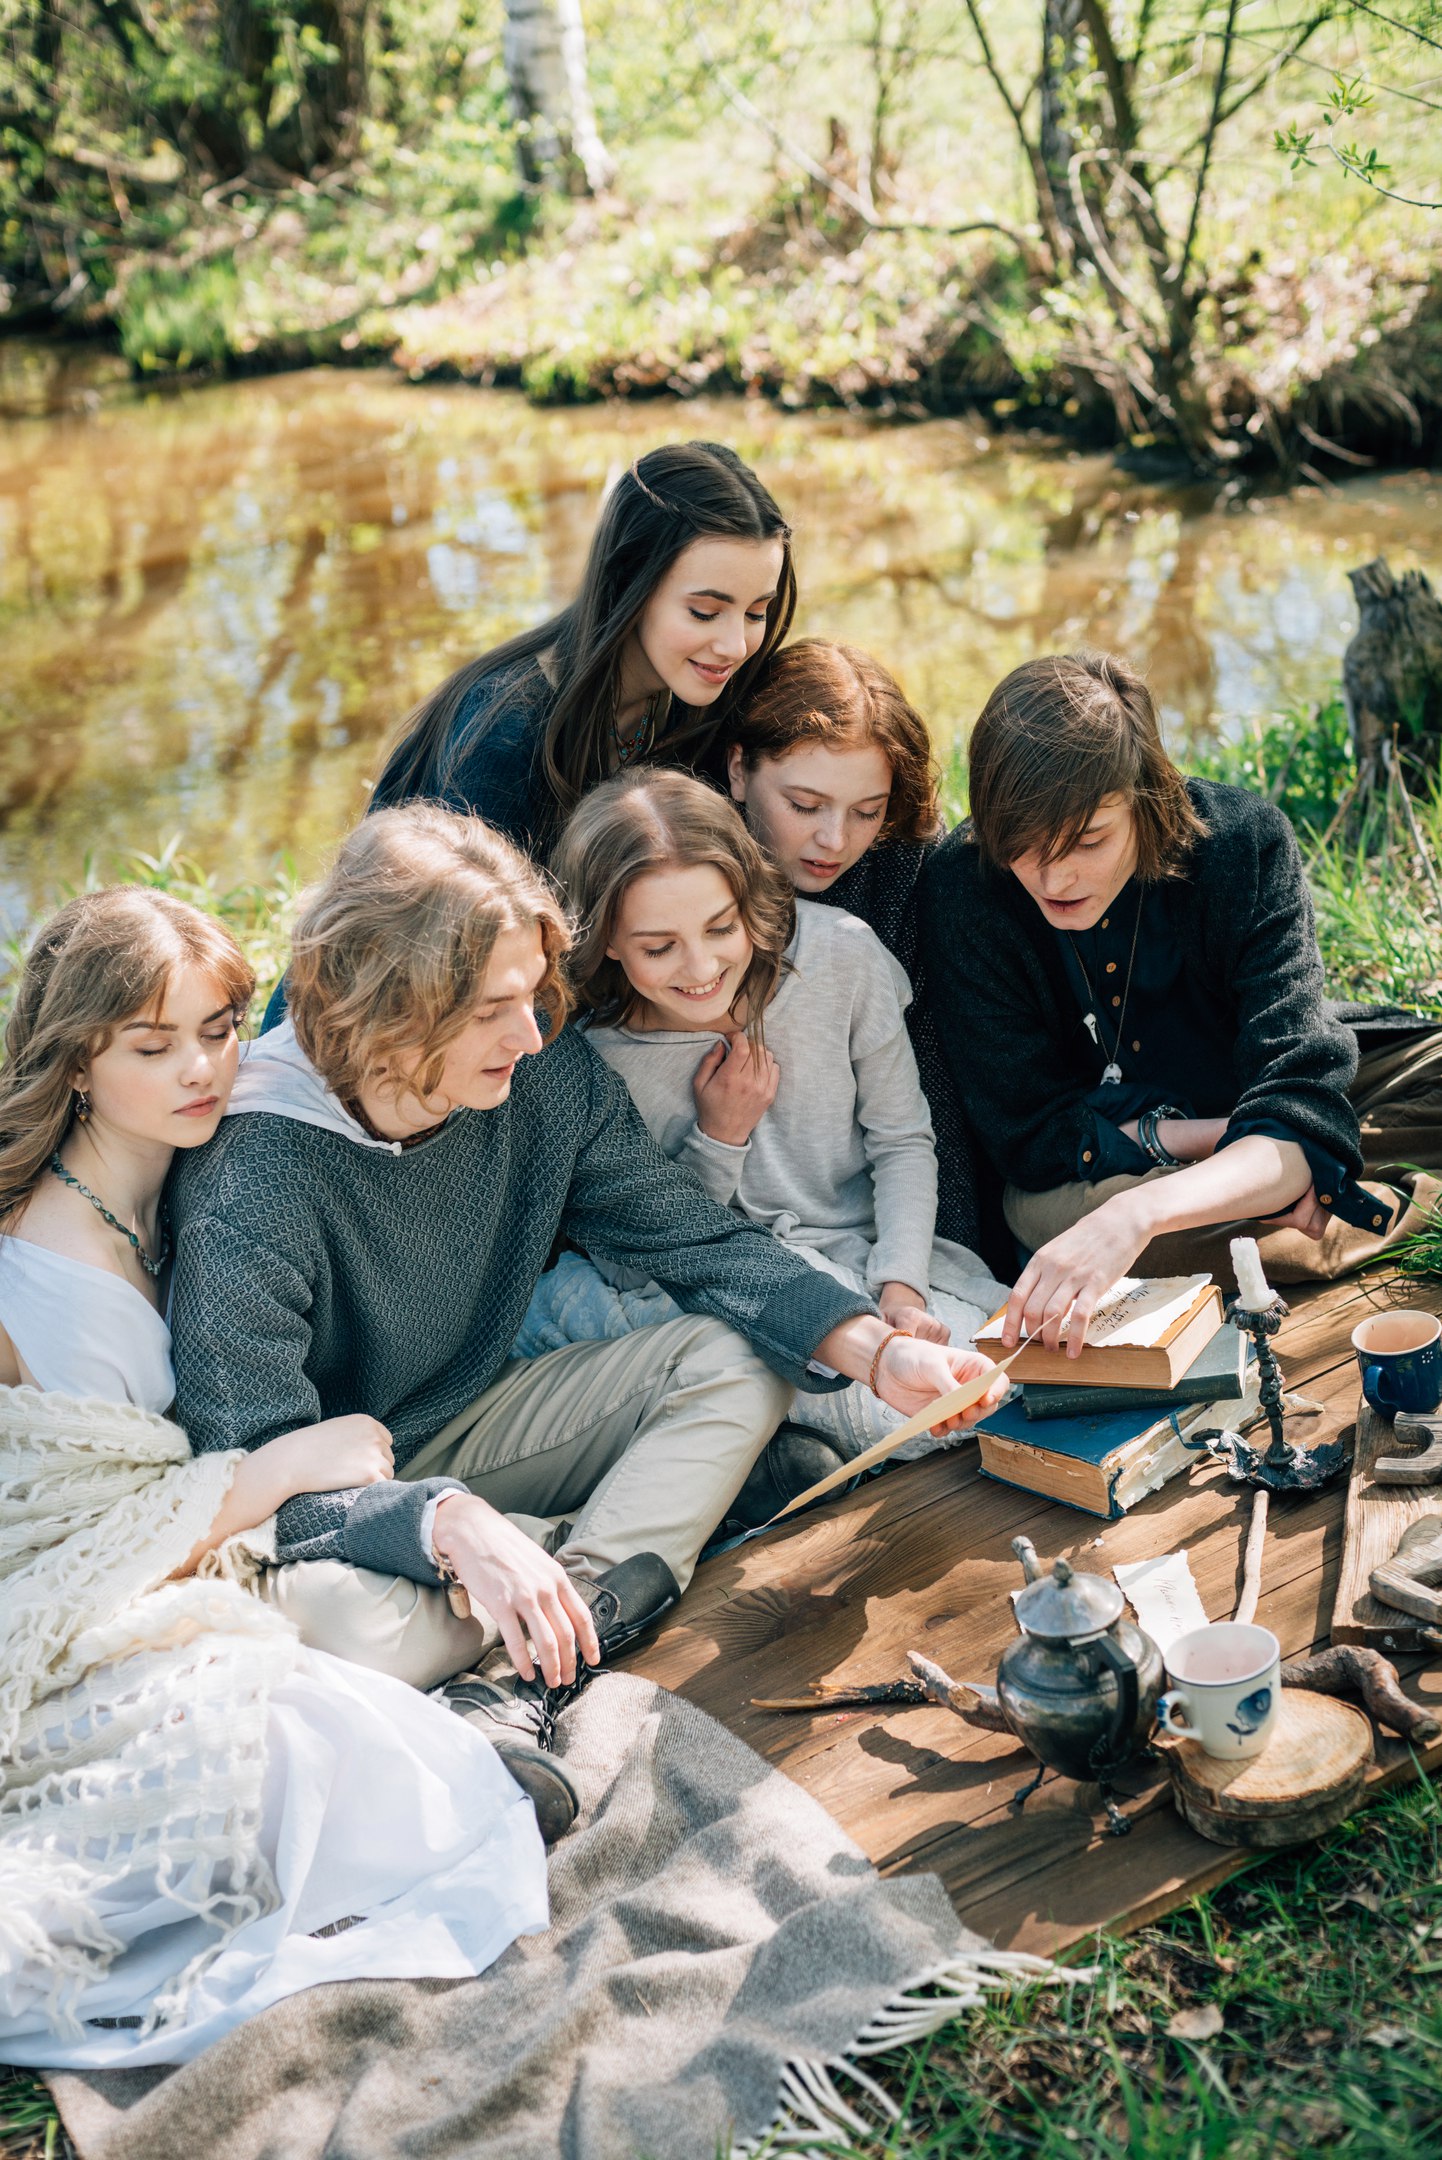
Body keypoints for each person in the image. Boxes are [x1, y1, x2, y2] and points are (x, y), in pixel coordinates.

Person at [168, 803, 1002, 1789]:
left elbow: (689, 1237)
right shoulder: (252, 1178)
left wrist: (873, 1350)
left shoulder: (539, 1070)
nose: (530, 1034)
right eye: (490, 1009)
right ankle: (634, 1550)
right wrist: (443, 1524)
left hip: (476, 1420)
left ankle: (531, 1661)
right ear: (392, 1007)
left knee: (737, 1356)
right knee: (333, 1629)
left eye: (531, 994)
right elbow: (246, 1471)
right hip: (336, 1492)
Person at [0, 889, 549, 2067]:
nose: (202, 1068)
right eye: (154, 1046)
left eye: (220, 1026)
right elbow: (76, 1533)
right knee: (291, 1730)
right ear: (77, 1063)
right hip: (81, 1612)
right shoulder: (47, 1262)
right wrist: (276, 1470)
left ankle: (526, 1592)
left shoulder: (179, 1173)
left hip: (216, 1551)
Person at [918, 650, 1406, 1356]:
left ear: (1145, 799)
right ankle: (1348, 1212)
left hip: (1205, 1159)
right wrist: (1255, 1149)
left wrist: (1141, 1212)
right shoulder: (965, 888)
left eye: (1089, 839)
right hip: (1086, 1183)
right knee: (1062, 1222)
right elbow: (1032, 1138)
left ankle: (1273, 1214)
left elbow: (1298, 1085)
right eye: (1022, 847)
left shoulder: (1243, 844)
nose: (1055, 876)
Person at [516, 768, 1006, 1466]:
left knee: (996, 1376)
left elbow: (903, 1141)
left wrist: (902, 1288)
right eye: (659, 947)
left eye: (722, 926)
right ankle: (778, 1446)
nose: (702, 966)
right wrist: (719, 1139)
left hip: (872, 1261)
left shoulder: (840, 955)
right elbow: (646, 1253)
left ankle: (780, 1442)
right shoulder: (601, 1062)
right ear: (608, 941)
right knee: (909, 1411)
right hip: (723, 1298)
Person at [373, 440, 795, 857]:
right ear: (628, 584)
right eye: (704, 612)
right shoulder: (505, 735)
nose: (736, 646)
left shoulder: (708, 694)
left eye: (757, 613)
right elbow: (473, 922)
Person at [719, 636, 981, 1251]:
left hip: (877, 1201)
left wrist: (944, 1253)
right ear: (738, 769)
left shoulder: (904, 867)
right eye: (804, 805)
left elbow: (922, 1089)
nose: (834, 840)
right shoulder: (685, 864)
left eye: (868, 811)